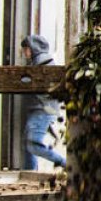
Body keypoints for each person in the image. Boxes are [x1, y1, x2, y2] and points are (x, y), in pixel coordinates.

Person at [21, 34, 66, 169]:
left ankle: (64, 163)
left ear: (33, 48)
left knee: (34, 144)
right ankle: (31, 171)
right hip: (39, 108)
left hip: (42, 108)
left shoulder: (42, 63)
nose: (24, 53)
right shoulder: (39, 62)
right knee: (28, 144)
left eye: (26, 49)